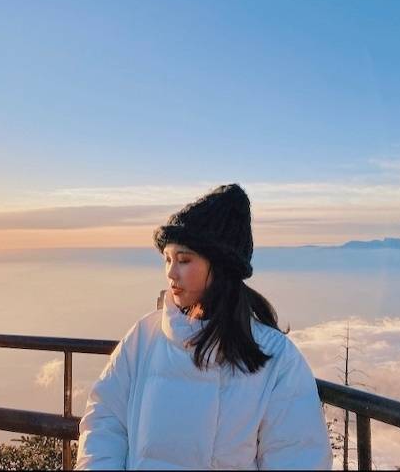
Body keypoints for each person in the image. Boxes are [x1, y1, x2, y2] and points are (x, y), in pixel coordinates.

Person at [75, 184, 332, 470]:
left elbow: (298, 457)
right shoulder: (144, 338)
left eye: (184, 260)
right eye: (168, 259)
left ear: (221, 266)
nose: (171, 273)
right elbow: (105, 422)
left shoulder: (276, 359)